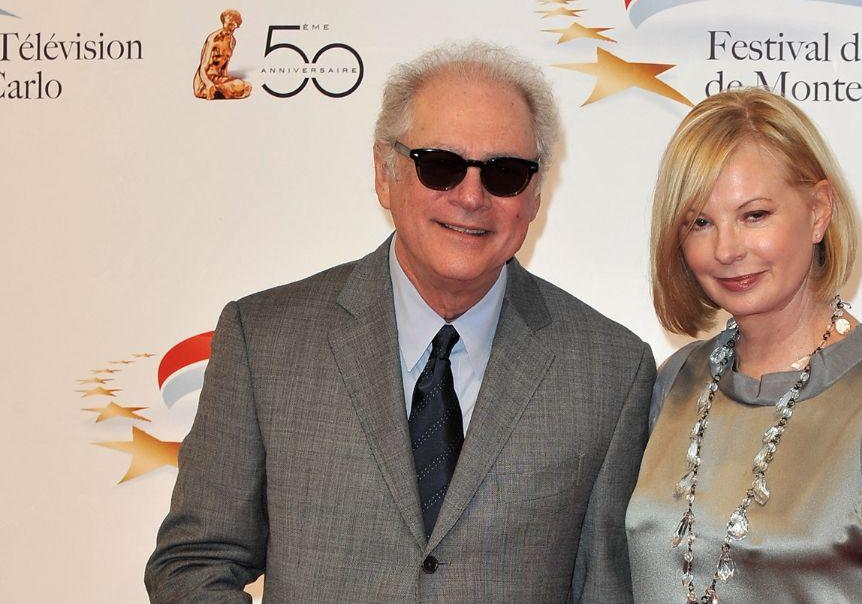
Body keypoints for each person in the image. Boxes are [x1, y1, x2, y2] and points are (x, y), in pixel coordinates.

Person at [148, 42, 656, 602]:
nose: (470, 196)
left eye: (505, 173)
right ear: (384, 173)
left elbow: (606, 589)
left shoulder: (610, 369)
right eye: (439, 165)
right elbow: (194, 564)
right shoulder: (265, 340)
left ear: (534, 195)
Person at [626, 88, 862, 603]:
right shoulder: (675, 382)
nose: (726, 250)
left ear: (818, 211)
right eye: (700, 222)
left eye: (755, 215)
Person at [193, 9, 253, 100]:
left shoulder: (232, 42)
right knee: (239, 87)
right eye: (228, 24)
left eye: (232, 25)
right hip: (204, 80)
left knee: (247, 86)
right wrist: (208, 83)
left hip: (218, 79)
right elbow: (203, 67)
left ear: (237, 26)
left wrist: (228, 82)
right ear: (224, 22)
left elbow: (224, 68)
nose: (229, 27)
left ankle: (218, 90)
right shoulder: (213, 39)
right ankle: (210, 90)